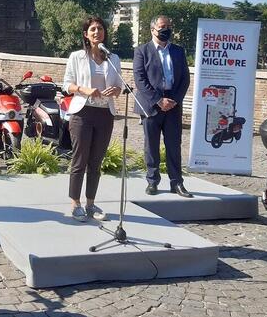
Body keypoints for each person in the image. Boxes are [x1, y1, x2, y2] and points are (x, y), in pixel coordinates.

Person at [62, 16, 123, 222]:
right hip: (83, 113)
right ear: (86, 34)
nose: (97, 32)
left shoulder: (113, 59)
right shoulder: (77, 57)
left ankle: (90, 203)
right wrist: (84, 89)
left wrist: (117, 89)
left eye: (100, 29)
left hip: (105, 114)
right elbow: (67, 84)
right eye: (93, 29)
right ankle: (75, 204)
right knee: (80, 159)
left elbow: (119, 86)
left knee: (96, 161)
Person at [133, 15, 192, 198]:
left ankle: (177, 183)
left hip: (173, 105)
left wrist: (173, 99)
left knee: (174, 145)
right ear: (153, 30)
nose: (166, 29)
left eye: (168, 25)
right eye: (162, 26)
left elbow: (185, 79)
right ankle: (152, 181)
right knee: (151, 146)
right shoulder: (142, 51)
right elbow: (140, 79)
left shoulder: (178, 51)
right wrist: (158, 100)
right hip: (150, 105)